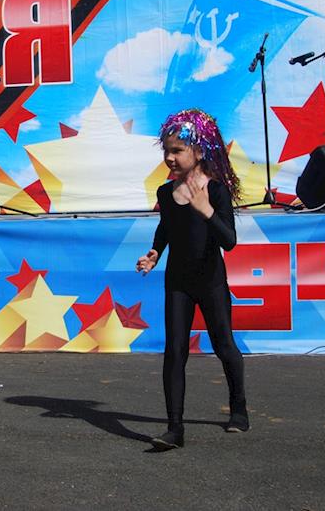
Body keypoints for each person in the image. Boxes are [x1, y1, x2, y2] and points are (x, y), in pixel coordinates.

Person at [135, 109, 247, 450]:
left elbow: (229, 241)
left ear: (198, 152)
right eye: (166, 151)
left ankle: (239, 408)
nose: (170, 158)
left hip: (210, 281)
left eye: (177, 151)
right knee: (175, 351)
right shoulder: (165, 193)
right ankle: (175, 428)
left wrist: (206, 211)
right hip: (178, 283)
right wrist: (155, 253)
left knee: (224, 345)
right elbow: (166, 228)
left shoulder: (216, 191)